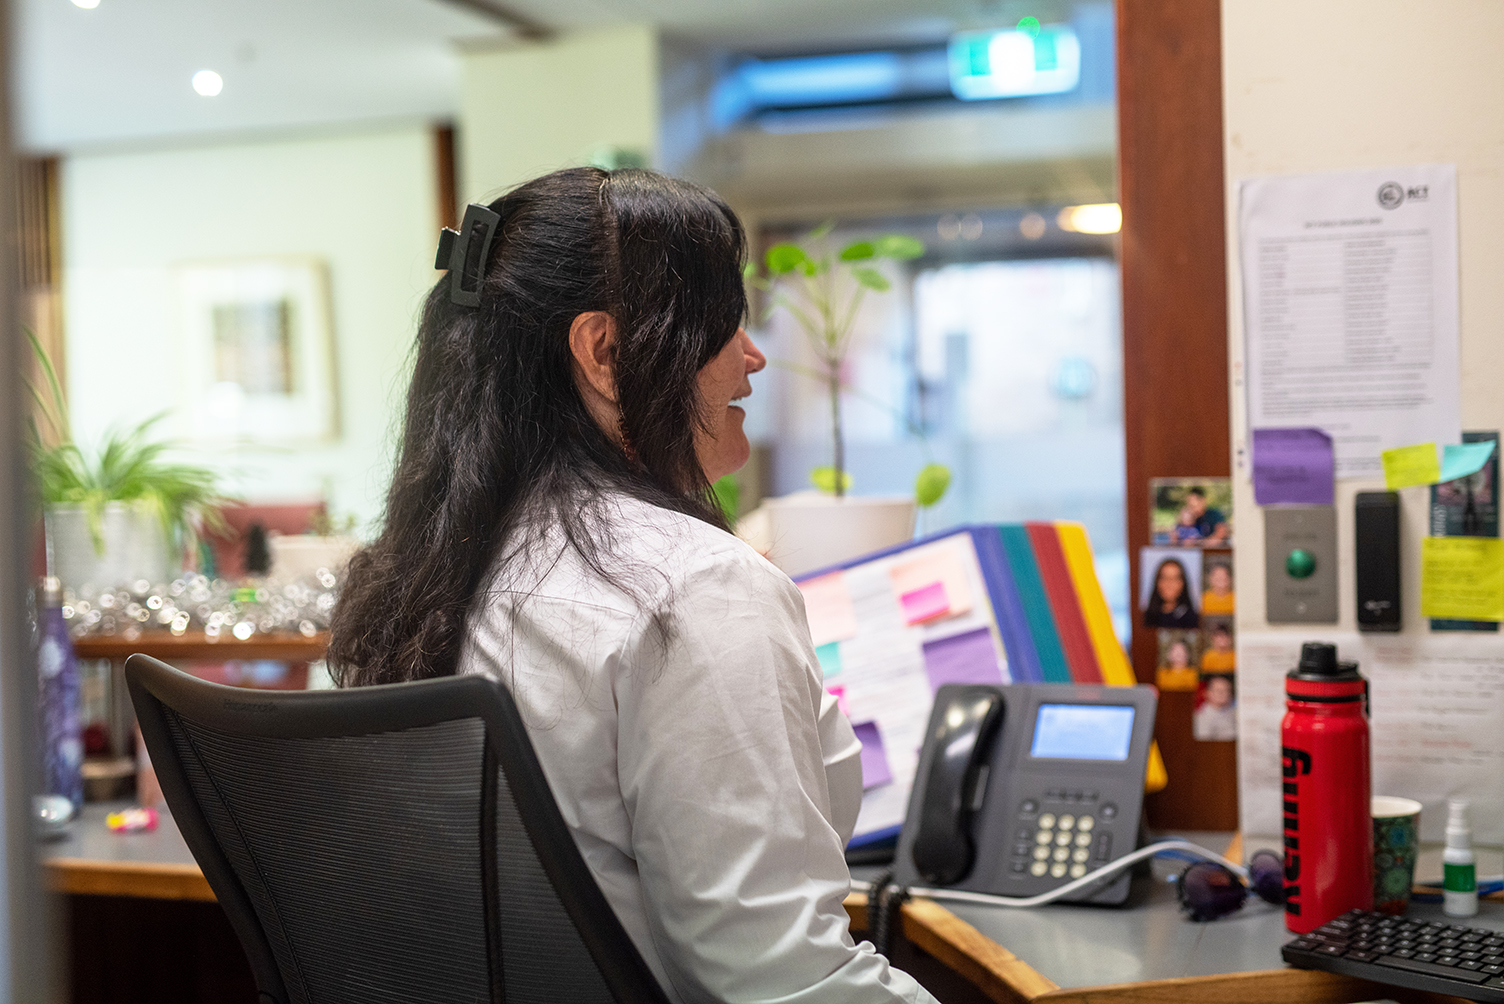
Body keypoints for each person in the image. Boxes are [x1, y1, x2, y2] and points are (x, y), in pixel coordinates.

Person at [328, 168, 936, 1004]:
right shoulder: (694, 591)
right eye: (723, 325)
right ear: (606, 353)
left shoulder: (434, 577)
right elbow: (785, 982)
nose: (751, 358)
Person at [1142, 557, 1199, 628]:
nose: (1169, 584)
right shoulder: (1145, 617)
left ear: (1183, 583)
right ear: (1157, 582)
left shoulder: (1193, 619)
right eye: (1164, 578)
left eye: (1175, 578)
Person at [1193, 675, 1237, 741]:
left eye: (1227, 690)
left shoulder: (1236, 710)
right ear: (1208, 693)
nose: (1223, 694)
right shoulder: (1201, 717)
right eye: (1219, 691)